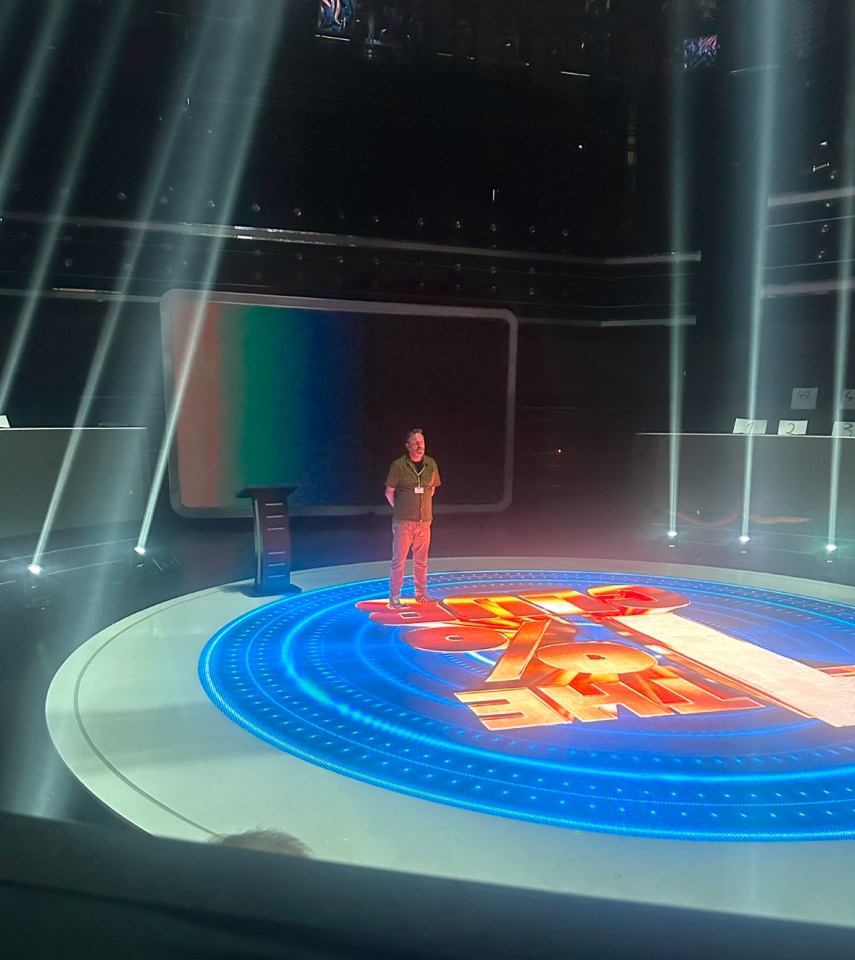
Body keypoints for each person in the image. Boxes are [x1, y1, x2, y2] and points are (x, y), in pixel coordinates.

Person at [385, 428, 441, 608]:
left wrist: (421, 508)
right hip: (404, 522)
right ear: (408, 446)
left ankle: (421, 593)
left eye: (422, 442)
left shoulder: (430, 464)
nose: (419, 446)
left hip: (424, 522)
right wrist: (402, 508)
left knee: (421, 561)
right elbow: (389, 492)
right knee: (398, 561)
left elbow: (432, 488)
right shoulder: (398, 466)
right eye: (415, 443)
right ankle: (394, 596)